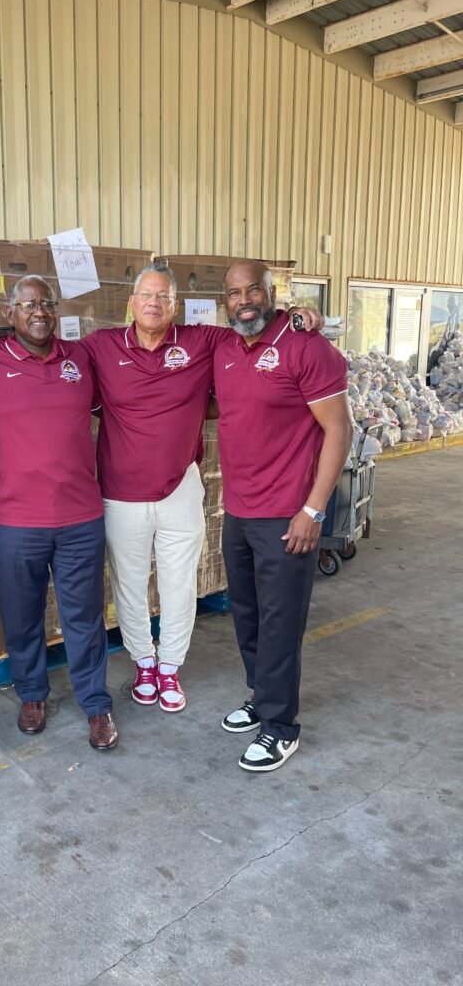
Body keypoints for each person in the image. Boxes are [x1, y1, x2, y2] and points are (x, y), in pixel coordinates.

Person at [81, 265, 323, 714]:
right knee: (129, 585)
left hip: (180, 488)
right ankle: (144, 663)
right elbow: (53, 354)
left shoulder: (203, 341)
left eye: (163, 297)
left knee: (179, 583)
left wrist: (298, 314)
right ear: (131, 303)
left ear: (175, 306)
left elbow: (256, 326)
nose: (154, 303)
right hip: (120, 491)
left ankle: (170, 666)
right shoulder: (101, 346)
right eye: (146, 295)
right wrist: (3, 335)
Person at [0, 276, 118, 750]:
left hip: (79, 517)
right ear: (9, 313)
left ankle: (96, 704)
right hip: (10, 520)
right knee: (21, 616)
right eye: (28, 304)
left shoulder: (81, 358)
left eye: (47, 303)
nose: (39, 312)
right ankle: (32, 694)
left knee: (84, 617)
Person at [215, 260, 351, 772]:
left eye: (254, 290)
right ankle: (262, 695)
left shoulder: (305, 347)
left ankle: (280, 726)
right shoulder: (225, 349)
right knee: (247, 613)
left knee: (280, 621)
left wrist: (314, 510)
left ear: (272, 294)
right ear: (225, 301)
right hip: (239, 509)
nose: (244, 300)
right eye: (234, 293)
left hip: (288, 513)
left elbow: (339, 430)